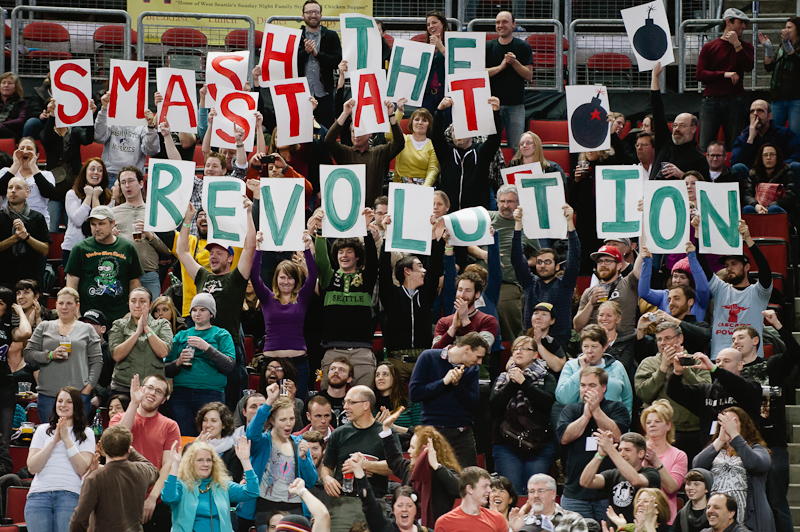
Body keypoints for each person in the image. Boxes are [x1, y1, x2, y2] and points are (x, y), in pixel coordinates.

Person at [176, 200, 255, 409]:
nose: (213, 256)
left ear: (230, 258)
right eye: (211, 253)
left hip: (229, 346)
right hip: (202, 345)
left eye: (219, 253)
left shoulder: (237, 278)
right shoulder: (203, 276)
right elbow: (182, 252)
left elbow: (250, 246)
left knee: (230, 402)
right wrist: (187, 220)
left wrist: (248, 213)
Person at [737, 311, 797, 532]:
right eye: (733, 339)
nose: (735, 341)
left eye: (741, 337)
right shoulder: (731, 374)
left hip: (773, 443)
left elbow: (795, 352)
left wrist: (777, 324)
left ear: (755, 341)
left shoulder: (772, 365)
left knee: (777, 501)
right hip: (743, 445)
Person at [312, 210, 379, 388]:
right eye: (341, 252)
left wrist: (366, 230)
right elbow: (321, 261)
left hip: (362, 351)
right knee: (328, 400)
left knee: (364, 400)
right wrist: (319, 232)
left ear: (357, 256)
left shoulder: (366, 279)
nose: (344, 255)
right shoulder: (328, 278)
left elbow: (373, 261)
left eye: (349, 251)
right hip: (332, 351)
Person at [319, 385, 397, 532]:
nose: (346, 407)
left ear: (366, 405)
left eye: (350, 402)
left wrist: (364, 466)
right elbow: (327, 467)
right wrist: (327, 479)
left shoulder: (385, 432)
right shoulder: (339, 433)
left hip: (374, 503)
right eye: (345, 403)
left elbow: (394, 466)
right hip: (341, 504)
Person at [556, 367, 630, 522]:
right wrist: (585, 416)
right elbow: (564, 437)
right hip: (575, 492)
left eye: (592, 385)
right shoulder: (571, 409)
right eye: (583, 385)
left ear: (604, 388)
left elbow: (618, 436)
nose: (586, 390)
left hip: (607, 494)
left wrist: (596, 411)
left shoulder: (616, 408)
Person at [110, 374, 181, 532]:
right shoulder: (118, 418)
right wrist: (134, 403)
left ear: (163, 400)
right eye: (149, 387)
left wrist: (153, 497)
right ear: (141, 388)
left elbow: (168, 465)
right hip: (120, 496)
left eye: (158, 391)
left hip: (154, 500)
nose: (152, 393)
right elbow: (116, 441)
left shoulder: (170, 426)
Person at [251, 230, 316, 401]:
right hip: (272, 364)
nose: (286, 281)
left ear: (296, 280)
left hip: (298, 364)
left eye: (290, 278)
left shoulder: (302, 297)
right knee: (270, 407)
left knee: (298, 406)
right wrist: (258, 249)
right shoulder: (267, 298)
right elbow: (254, 277)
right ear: (276, 279)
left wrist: (307, 248)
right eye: (282, 277)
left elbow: (313, 276)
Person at [379, 215, 444, 386]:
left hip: (422, 359)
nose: (424, 270)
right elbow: (384, 272)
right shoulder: (391, 294)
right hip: (397, 361)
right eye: (420, 267)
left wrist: (432, 237)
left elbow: (435, 269)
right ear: (407, 271)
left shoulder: (426, 294)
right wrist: (386, 235)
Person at [245, 383, 319, 532]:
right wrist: (268, 403)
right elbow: (251, 433)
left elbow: (311, 481)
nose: (288, 424)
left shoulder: (300, 443)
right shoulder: (263, 442)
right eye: (283, 419)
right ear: (272, 421)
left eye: (291, 419)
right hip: (265, 506)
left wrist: (304, 459)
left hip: (295, 508)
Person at [409, 332, 488, 467]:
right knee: (433, 479)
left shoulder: (472, 369)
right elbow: (415, 394)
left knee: (469, 480)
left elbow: (473, 403)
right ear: (467, 349)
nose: (479, 362)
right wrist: (443, 382)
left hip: (462, 432)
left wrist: (457, 385)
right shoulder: (429, 357)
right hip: (433, 432)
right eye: (478, 357)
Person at [489, 335, 556, 494]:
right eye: (516, 349)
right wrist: (513, 383)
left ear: (535, 354)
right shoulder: (503, 378)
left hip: (539, 445)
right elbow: (494, 406)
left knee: (536, 493)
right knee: (511, 495)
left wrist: (523, 383)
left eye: (524, 348)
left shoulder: (546, 377)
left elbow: (546, 402)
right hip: (506, 446)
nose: (518, 352)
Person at [23, 287, 102, 421]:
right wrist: (50, 355)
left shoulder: (87, 329)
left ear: (77, 306)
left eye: (69, 303)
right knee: (49, 436)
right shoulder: (44, 326)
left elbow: (97, 361)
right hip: (48, 394)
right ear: (56, 305)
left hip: (78, 394)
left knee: (76, 438)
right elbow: (28, 354)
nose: (64, 307)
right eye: (61, 303)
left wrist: (88, 388)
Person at [635, 324, 711, 463]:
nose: (663, 343)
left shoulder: (697, 361)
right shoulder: (648, 363)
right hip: (661, 433)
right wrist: (662, 369)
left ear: (680, 339)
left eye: (667, 338)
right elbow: (643, 394)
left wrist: (685, 368)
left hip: (694, 430)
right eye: (659, 339)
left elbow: (705, 392)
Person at [25, 386, 95, 532]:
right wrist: (54, 440)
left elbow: (82, 468)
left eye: (69, 402)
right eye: (60, 401)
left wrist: (66, 439)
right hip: (38, 496)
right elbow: (32, 467)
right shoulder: (42, 430)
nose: (63, 405)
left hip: (69, 495)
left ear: (76, 406)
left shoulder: (86, 433)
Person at [693, 406, 774, 532]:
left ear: (744, 425)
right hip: (718, 516)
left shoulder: (756, 449)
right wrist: (720, 440)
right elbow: (697, 467)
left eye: (733, 422)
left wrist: (735, 436)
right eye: (724, 422)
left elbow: (757, 464)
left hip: (748, 519)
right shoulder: (716, 450)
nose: (728, 425)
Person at [165, 293, 235, 437]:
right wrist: (178, 362)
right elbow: (166, 370)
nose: (197, 313)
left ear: (211, 313)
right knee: (184, 437)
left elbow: (229, 366)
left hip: (211, 392)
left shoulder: (221, 334)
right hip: (181, 393)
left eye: (202, 310)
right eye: (194, 310)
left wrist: (207, 348)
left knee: (209, 438)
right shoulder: (181, 335)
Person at [699, 220, 772, 358]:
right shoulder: (720, 289)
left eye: (734, 264)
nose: (729, 268)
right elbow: (702, 263)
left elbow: (765, 269)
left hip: (750, 360)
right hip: (719, 358)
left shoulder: (759, 292)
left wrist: (749, 240)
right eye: (726, 265)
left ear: (747, 267)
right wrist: (698, 234)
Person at [68, 425, 160, 532]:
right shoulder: (141, 471)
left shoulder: (94, 478)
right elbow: (154, 470)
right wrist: (129, 449)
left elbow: (79, 519)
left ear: (104, 448)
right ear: (128, 448)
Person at [378, 409, 461, 525]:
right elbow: (394, 459)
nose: (408, 451)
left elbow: (460, 489)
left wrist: (437, 467)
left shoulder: (443, 472)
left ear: (423, 450)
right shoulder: (410, 469)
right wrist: (386, 429)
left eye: (412, 447)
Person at [512, 204, 579, 347]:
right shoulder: (529, 283)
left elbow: (574, 257)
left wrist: (570, 224)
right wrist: (518, 225)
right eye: (539, 262)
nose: (542, 265)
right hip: (531, 343)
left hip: (560, 343)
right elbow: (517, 259)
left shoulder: (565, 284)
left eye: (547, 262)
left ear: (557, 266)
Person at [65, 205, 143, 324]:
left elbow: (135, 283)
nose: (97, 228)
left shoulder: (127, 248)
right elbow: (71, 287)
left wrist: (131, 313)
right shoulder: (80, 248)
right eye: (93, 224)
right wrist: (77, 315)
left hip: (120, 316)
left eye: (101, 224)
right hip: (89, 317)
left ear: (112, 224)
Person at [161, 436, 258, 532]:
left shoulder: (222, 485)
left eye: (208, 460)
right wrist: (174, 466)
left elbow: (252, 492)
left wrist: (245, 461)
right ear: (190, 463)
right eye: (200, 460)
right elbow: (168, 498)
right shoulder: (181, 485)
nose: (205, 464)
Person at [324, 98, 404, 208]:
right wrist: (345, 113)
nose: (356, 135)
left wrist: (392, 116)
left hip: (373, 212)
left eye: (360, 131)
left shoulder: (379, 153)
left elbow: (399, 144)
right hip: (349, 212)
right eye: (353, 131)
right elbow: (328, 140)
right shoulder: (345, 153)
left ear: (370, 133)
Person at [696, 8, 754, 150]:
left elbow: (748, 67)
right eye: (740, 23)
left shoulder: (746, 46)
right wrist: (723, 74)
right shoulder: (710, 47)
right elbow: (700, 74)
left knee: (733, 144)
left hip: (735, 99)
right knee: (705, 144)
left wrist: (737, 45)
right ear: (728, 22)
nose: (744, 27)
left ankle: (731, 171)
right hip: (711, 99)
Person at [433, 96, 502, 211]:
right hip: (451, 214)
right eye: (454, 130)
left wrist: (496, 112)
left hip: (476, 215)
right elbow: (436, 136)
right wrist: (439, 111)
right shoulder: (446, 153)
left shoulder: (481, 152)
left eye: (461, 129)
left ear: (471, 132)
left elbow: (494, 139)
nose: (456, 134)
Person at [114, 165, 173, 299]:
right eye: (123, 182)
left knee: (152, 315)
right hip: (121, 273)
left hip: (148, 273)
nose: (127, 185)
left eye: (130, 181)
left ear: (141, 183)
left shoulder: (156, 212)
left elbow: (168, 250)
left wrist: (150, 235)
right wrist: (109, 237)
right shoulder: (112, 213)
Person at [578, 431, 661, 523]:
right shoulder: (613, 474)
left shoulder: (652, 473)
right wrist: (600, 455)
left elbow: (635, 480)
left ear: (641, 454)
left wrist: (610, 450)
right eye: (620, 450)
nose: (622, 454)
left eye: (627, 450)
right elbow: (585, 482)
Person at [649, 63, 710, 181]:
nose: (677, 129)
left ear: (693, 129)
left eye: (682, 126)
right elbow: (657, 111)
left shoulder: (699, 159)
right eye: (675, 125)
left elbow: (703, 187)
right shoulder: (664, 142)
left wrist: (682, 175)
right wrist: (655, 78)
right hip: (654, 195)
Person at [108, 286, 173, 396]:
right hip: (123, 386)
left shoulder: (162, 324)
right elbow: (117, 355)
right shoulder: (119, 325)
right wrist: (137, 333)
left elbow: (163, 352)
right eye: (133, 301)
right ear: (128, 303)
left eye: (142, 301)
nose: (137, 305)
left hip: (153, 388)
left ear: (150, 304)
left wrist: (147, 328)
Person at [556, 325, 633, 416]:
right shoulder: (571, 366)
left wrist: (623, 426)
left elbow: (627, 399)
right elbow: (563, 398)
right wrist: (582, 371)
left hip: (612, 423)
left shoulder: (617, 366)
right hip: (581, 423)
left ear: (604, 347)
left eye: (594, 346)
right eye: (585, 346)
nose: (589, 351)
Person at [486, 11, 533, 151]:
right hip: (491, 105)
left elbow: (529, 75)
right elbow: (480, 73)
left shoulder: (523, 46)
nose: (501, 25)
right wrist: (500, 67)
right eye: (498, 22)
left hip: (515, 105)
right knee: (490, 146)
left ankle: (517, 173)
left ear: (513, 24)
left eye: (505, 22)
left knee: (517, 146)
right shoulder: (488, 47)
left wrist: (514, 63)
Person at [574, 243, 642, 337]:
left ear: (619, 266)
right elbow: (577, 326)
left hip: (623, 343)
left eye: (608, 261)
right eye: (600, 261)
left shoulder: (629, 283)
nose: (603, 264)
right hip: (596, 343)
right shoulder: (589, 292)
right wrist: (591, 303)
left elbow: (640, 264)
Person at [94, 89, 160, 185]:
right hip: (110, 175)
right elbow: (99, 137)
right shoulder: (111, 117)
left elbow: (151, 150)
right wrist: (104, 108)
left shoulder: (143, 121)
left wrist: (150, 127)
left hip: (134, 177)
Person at [640, 400, 689, 525]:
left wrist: (656, 462)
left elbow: (672, 487)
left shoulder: (679, 455)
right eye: (648, 422)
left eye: (657, 421)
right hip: (638, 517)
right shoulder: (637, 451)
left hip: (665, 519)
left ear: (668, 426)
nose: (652, 425)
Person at [0, 175, 50, 290]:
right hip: (2, 281)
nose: (13, 191)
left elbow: (45, 250)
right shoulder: (1, 217)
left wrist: (27, 237)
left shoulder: (37, 218)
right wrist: (15, 238)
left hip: (30, 281)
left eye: (18, 188)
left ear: (27, 193)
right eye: (10, 187)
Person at [296, 0, 341, 128]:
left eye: (316, 12)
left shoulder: (331, 36)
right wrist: (305, 52)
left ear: (321, 15)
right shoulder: (296, 37)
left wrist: (317, 55)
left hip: (324, 93)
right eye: (309, 12)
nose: (313, 15)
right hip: (301, 93)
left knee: (326, 132)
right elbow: (290, 62)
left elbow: (337, 60)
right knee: (301, 131)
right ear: (303, 15)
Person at [730, 99, 800, 181]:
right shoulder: (743, 137)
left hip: (780, 173)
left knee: (795, 166)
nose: (755, 114)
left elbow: (797, 153)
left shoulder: (784, 133)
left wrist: (780, 166)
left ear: (769, 116)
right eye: (752, 111)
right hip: (754, 176)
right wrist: (750, 139)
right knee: (738, 167)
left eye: (760, 111)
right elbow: (735, 162)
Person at [62, 158, 113, 265]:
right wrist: (88, 197)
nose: (96, 172)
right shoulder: (72, 194)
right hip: (73, 247)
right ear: (84, 173)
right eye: (92, 169)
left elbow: (102, 221)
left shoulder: (109, 197)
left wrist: (95, 198)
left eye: (100, 170)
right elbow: (77, 220)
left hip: (99, 247)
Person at [433, 271, 498, 350]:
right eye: (460, 290)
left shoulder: (488, 321)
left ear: (477, 294)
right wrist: (453, 328)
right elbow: (435, 350)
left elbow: (481, 348)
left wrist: (465, 321)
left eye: (468, 291)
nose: (462, 295)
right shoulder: (443, 322)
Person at [0, 137, 57, 228]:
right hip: (8, 221)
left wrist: (33, 167)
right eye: (21, 148)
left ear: (37, 155)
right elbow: (1, 190)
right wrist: (15, 166)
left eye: (29, 149)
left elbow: (49, 193)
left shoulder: (46, 174)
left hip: (37, 223)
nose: (25, 151)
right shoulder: (6, 171)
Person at [0, 287, 31, 445]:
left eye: (0, 303)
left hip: (4, 381)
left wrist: (20, 312)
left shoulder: (6, 327)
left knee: (5, 433)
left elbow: (26, 333)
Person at [434, 466, 508, 532]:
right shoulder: (445, 522)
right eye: (485, 486)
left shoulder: (497, 518)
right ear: (469, 489)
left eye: (489, 486)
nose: (489, 490)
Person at [760, 17, 800, 135]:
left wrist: (787, 45)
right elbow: (769, 67)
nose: (786, 30)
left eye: (789, 27)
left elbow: (797, 62)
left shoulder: (790, 47)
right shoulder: (782, 48)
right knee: (774, 132)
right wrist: (768, 50)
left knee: (795, 134)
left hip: (796, 98)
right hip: (778, 97)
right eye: (785, 27)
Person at [508, 473, 587, 532]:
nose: (536, 495)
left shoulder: (573, 520)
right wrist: (516, 531)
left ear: (553, 494)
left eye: (541, 491)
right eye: (532, 491)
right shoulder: (522, 521)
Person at [386, 101, 439, 186]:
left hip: (423, 187)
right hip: (400, 186)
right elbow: (388, 135)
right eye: (417, 119)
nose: (420, 122)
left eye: (424, 120)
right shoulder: (403, 139)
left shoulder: (432, 145)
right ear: (411, 122)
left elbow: (433, 170)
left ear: (429, 125)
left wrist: (424, 189)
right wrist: (399, 111)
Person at [741, 143, 796, 215]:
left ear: (777, 157)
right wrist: (756, 205)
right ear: (761, 158)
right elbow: (747, 195)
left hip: (779, 208)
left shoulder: (787, 173)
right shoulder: (754, 174)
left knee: (773, 209)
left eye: (772, 154)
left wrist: (769, 207)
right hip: (758, 208)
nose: (769, 157)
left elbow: (790, 197)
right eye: (765, 155)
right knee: (748, 209)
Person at [373, 363, 420, 430]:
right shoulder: (370, 405)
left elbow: (420, 432)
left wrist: (394, 427)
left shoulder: (412, 403)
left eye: (385, 374)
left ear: (395, 378)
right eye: (377, 375)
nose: (380, 378)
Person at [603, 488, 671, 532]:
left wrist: (648, 522)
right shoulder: (631, 528)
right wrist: (622, 526)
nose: (639, 504)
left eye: (646, 501)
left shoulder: (669, 530)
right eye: (638, 501)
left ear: (658, 508)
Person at [420, 11, 447, 116]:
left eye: (434, 22)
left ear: (442, 24)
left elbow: (455, 63)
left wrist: (440, 47)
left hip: (446, 95)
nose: (431, 26)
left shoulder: (451, 44)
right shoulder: (425, 46)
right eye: (428, 24)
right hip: (428, 95)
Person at [0, 73, 27, 140]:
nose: (6, 85)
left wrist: (3, 124)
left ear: (16, 87)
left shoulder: (21, 102)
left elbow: (21, 120)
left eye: (10, 83)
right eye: (3, 82)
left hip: (11, 132)